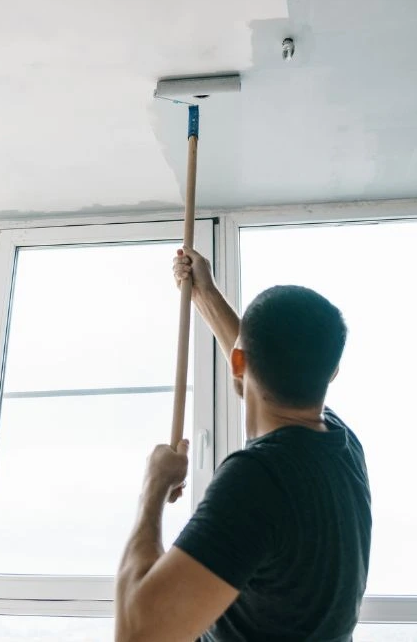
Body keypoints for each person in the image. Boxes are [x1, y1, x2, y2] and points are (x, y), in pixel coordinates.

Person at [115, 247, 371, 642]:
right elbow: (262, 376)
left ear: (238, 360)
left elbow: (138, 633)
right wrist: (205, 294)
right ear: (332, 371)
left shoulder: (258, 480)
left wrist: (154, 485)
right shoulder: (342, 445)